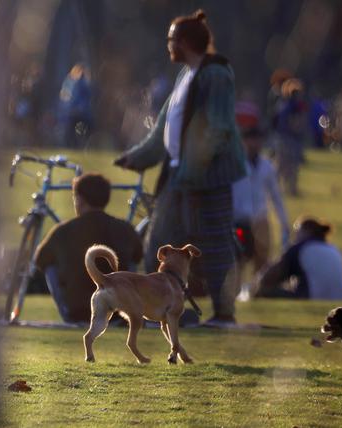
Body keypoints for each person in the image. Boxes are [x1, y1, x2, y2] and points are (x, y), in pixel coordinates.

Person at [114, 9, 247, 327]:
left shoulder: (216, 75)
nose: (168, 45)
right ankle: (149, 309)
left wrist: (193, 170)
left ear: (185, 42)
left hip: (209, 178)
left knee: (216, 244)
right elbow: (165, 126)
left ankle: (224, 313)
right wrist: (138, 157)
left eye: (172, 39)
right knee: (160, 242)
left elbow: (218, 128)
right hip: (179, 175)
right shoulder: (186, 75)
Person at [33, 173, 143, 324]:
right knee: (130, 262)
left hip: (78, 312)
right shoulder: (125, 229)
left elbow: (40, 260)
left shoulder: (63, 231)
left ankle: (68, 314)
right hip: (117, 313)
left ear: (80, 199)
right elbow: (138, 256)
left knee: (50, 266)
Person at [229, 125, 289, 301]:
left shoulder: (267, 166)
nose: (254, 144)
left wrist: (284, 221)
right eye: (250, 140)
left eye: (257, 140)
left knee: (262, 258)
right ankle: (234, 293)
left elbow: (275, 195)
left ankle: (257, 293)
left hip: (260, 219)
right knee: (238, 258)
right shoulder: (234, 164)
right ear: (243, 142)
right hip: (239, 220)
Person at [255, 216, 342, 300]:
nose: (295, 236)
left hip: (311, 297)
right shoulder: (333, 249)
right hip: (340, 298)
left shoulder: (301, 248)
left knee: (263, 290)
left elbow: (268, 278)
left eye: (297, 231)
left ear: (305, 231)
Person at [56, 63, 94, 147]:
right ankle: (73, 145)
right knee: (71, 132)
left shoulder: (83, 83)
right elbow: (64, 96)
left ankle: (79, 145)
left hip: (81, 113)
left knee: (80, 132)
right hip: (72, 113)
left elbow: (86, 98)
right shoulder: (70, 82)